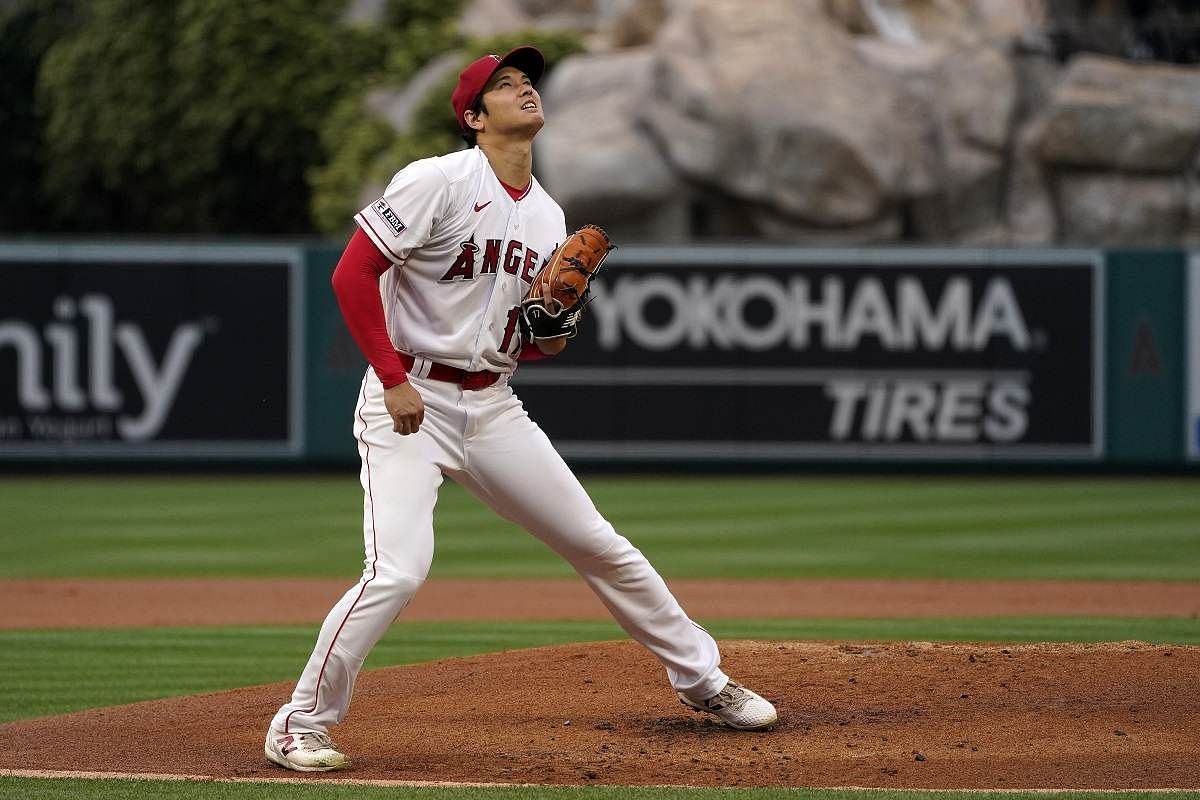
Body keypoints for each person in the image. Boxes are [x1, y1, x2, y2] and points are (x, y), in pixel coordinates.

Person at [264, 45, 778, 773]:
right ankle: (298, 724)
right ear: (475, 117)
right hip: (410, 398)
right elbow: (353, 274)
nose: (525, 90)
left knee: (597, 542)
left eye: (528, 82)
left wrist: (551, 336)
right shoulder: (436, 180)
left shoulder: (547, 214)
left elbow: (530, 344)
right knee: (399, 571)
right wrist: (389, 377)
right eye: (505, 87)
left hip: (493, 405)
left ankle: (704, 680)